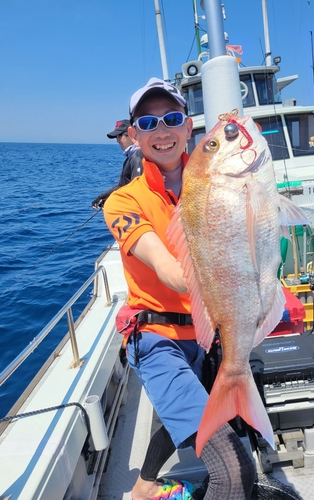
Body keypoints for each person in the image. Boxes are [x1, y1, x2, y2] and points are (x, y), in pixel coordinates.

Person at [103, 78, 256, 500]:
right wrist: (236, 280)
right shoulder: (123, 202)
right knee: (234, 468)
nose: (162, 130)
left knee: (177, 417)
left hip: (207, 333)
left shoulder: (214, 181)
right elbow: (170, 270)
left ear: (188, 127)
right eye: (149, 122)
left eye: (172, 118)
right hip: (156, 339)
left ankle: (142, 489)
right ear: (134, 135)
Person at [91, 119, 144, 208]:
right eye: (116, 137)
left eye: (119, 136)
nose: (117, 141)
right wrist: (104, 198)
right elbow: (122, 185)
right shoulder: (131, 157)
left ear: (131, 135)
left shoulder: (137, 157)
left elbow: (138, 190)